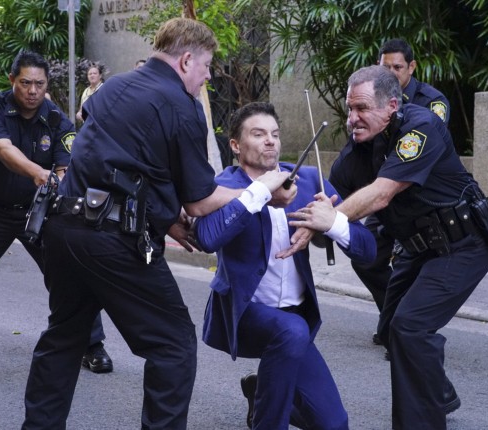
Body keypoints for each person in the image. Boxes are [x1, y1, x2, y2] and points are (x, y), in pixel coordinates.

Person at [21, 19, 295, 430]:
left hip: (64, 227)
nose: (207, 77)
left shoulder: (114, 87)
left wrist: (164, 218)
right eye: (206, 67)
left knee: (63, 337)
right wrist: (263, 191)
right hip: (111, 240)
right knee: (173, 345)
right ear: (186, 60)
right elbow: (200, 200)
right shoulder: (181, 105)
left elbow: (123, 163)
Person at [288, 65, 488, 430]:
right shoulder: (356, 152)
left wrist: (331, 217)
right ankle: (439, 394)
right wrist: (299, 206)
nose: (352, 118)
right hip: (418, 248)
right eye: (350, 108)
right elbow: (329, 207)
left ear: (391, 105)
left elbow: (381, 193)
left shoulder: (420, 128)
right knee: (391, 329)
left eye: (362, 108)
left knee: (410, 328)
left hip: (463, 243)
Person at [194, 102, 376, 430]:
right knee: (291, 330)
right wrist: (259, 193)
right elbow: (207, 238)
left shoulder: (307, 179)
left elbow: (369, 250)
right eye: (258, 134)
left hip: (294, 320)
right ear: (235, 145)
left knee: (334, 424)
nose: (270, 141)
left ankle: (262, 392)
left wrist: (333, 223)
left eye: (275, 134)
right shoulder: (223, 185)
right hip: (246, 313)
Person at [0, 50, 113, 375]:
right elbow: (3, 150)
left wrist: (61, 184)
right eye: (25, 83)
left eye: (39, 84)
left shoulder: (58, 121)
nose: (32, 91)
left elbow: (66, 168)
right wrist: (38, 172)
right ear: (12, 80)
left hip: (38, 211)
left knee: (72, 274)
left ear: (47, 84)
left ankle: (91, 345)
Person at [337, 38, 452, 346]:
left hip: (415, 196)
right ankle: (393, 317)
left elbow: (419, 152)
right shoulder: (366, 105)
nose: (390, 72)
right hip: (383, 198)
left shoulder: (430, 104)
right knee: (366, 258)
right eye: (384, 67)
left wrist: (330, 218)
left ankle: (405, 326)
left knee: (408, 262)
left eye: (397, 67)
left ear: (411, 67)